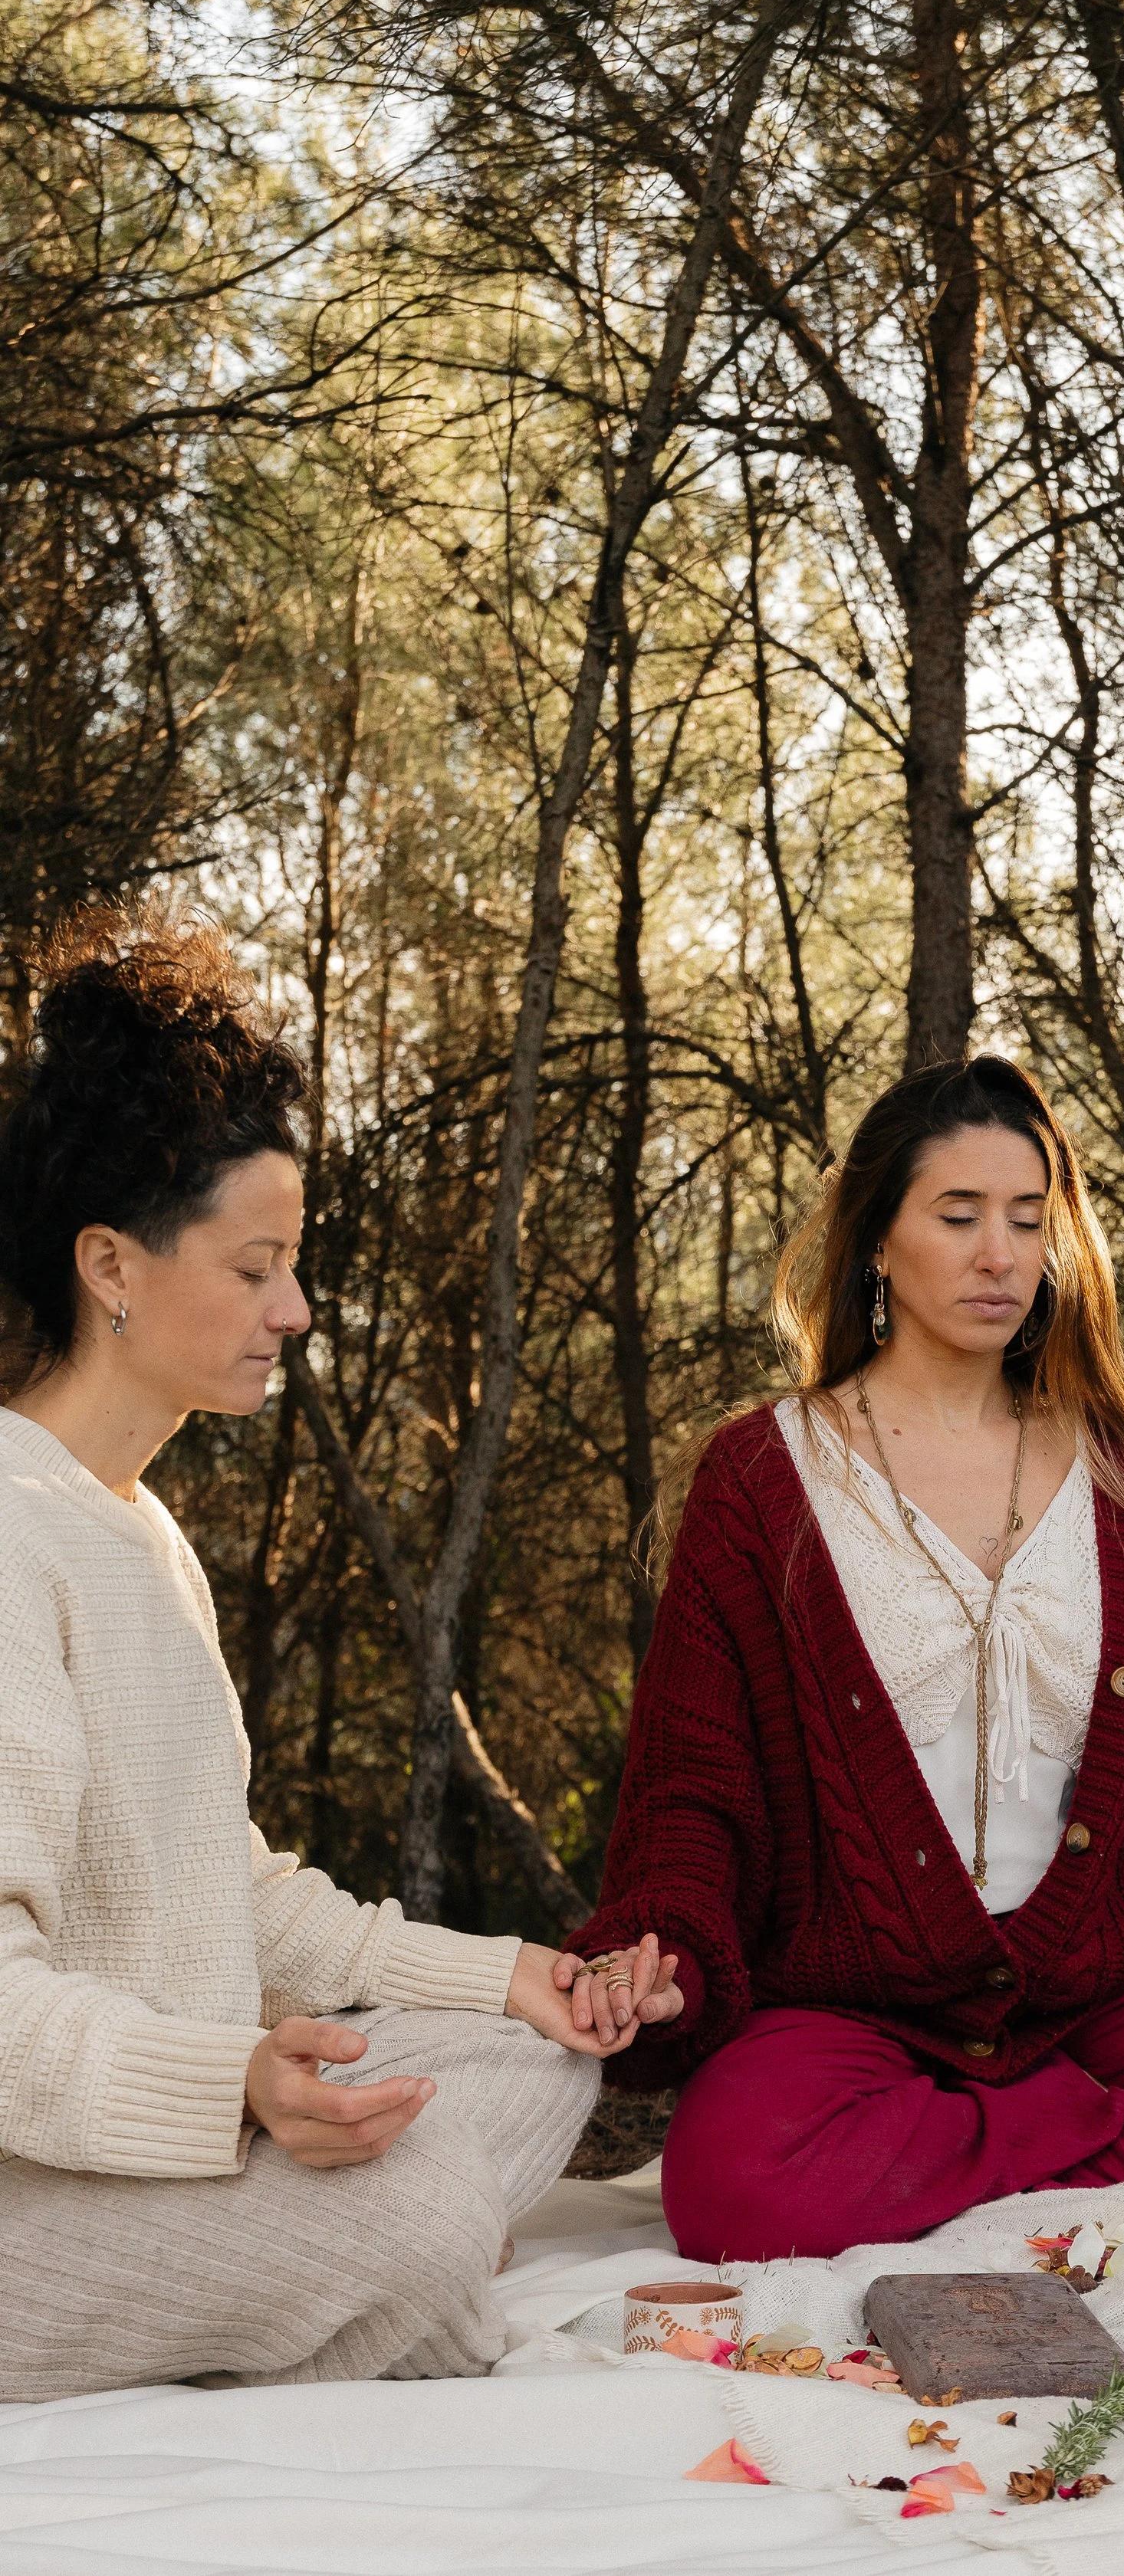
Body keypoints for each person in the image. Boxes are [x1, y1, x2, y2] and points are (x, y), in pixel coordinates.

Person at [560, 1055, 1124, 2261]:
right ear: (876, 1239)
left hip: (1109, 1994)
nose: (1001, 1253)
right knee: (731, 2182)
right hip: (857, 2006)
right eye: (958, 1216)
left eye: (1027, 1217)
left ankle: (1007, 2165)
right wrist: (665, 1946)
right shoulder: (764, 1478)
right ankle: (1107, 2157)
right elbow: (694, 1790)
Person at [0, 915, 677, 2401]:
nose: (292, 1312)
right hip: (29, 2198)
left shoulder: (137, 1529)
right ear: (109, 1264)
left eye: (291, 1267)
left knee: (537, 2056)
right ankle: (356, 2285)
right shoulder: (9, 1529)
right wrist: (233, 2088)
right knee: (427, 2214)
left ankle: (307, 2272)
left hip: (166, 2141)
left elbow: (233, 1894)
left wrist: (516, 1976)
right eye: (256, 1270)